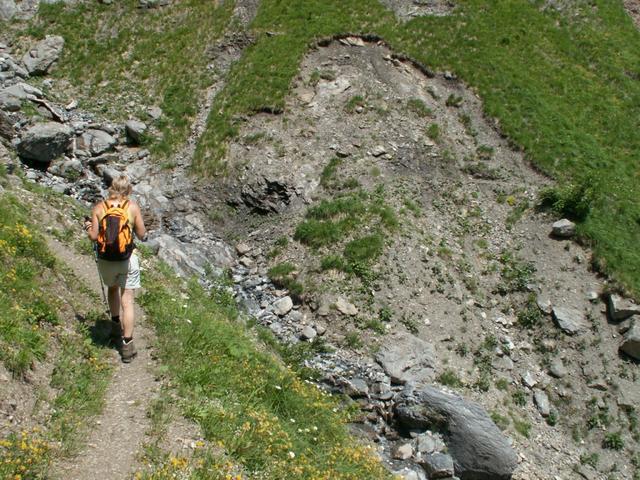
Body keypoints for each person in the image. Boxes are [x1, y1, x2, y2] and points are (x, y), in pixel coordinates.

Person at [84, 175, 147, 363]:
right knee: (128, 300)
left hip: (106, 260)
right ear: (128, 191)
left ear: (111, 188)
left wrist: (88, 227)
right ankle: (127, 346)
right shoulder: (132, 207)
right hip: (127, 259)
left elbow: (94, 236)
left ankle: (114, 326)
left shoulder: (99, 208)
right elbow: (142, 234)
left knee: (112, 289)